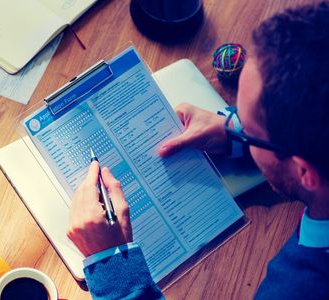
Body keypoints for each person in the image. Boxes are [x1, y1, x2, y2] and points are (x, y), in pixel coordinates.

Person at [67, 2, 329, 299]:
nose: (232, 122)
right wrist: (233, 129)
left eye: (251, 134)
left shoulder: (298, 290)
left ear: (306, 172)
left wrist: (115, 270)